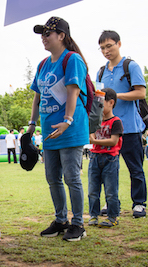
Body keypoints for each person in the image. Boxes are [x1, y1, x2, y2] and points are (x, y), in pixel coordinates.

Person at [29, 17, 89, 241]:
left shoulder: (72, 59)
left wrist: (68, 120)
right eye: (42, 34)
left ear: (61, 36)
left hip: (70, 129)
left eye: (48, 33)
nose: (43, 38)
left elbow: (73, 92)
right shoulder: (43, 64)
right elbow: (37, 97)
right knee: (52, 177)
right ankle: (61, 220)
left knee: (71, 177)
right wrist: (32, 124)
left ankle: (78, 224)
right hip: (49, 131)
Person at [97, 30, 147, 218]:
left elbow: (141, 93)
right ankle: (110, 202)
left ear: (119, 44)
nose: (106, 51)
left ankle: (139, 203)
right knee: (107, 168)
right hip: (106, 128)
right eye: (102, 48)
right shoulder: (101, 71)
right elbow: (100, 100)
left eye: (109, 46)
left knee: (135, 168)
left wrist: (115, 96)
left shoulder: (130, 66)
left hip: (129, 127)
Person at [88, 88, 123, 228]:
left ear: (111, 103)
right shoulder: (95, 121)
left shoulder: (116, 122)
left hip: (110, 159)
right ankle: (93, 215)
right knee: (92, 190)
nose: (97, 107)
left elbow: (113, 141)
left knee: (111, 191)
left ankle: (112, 216)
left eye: (101, 103)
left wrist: (94, 141)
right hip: (94, 158)